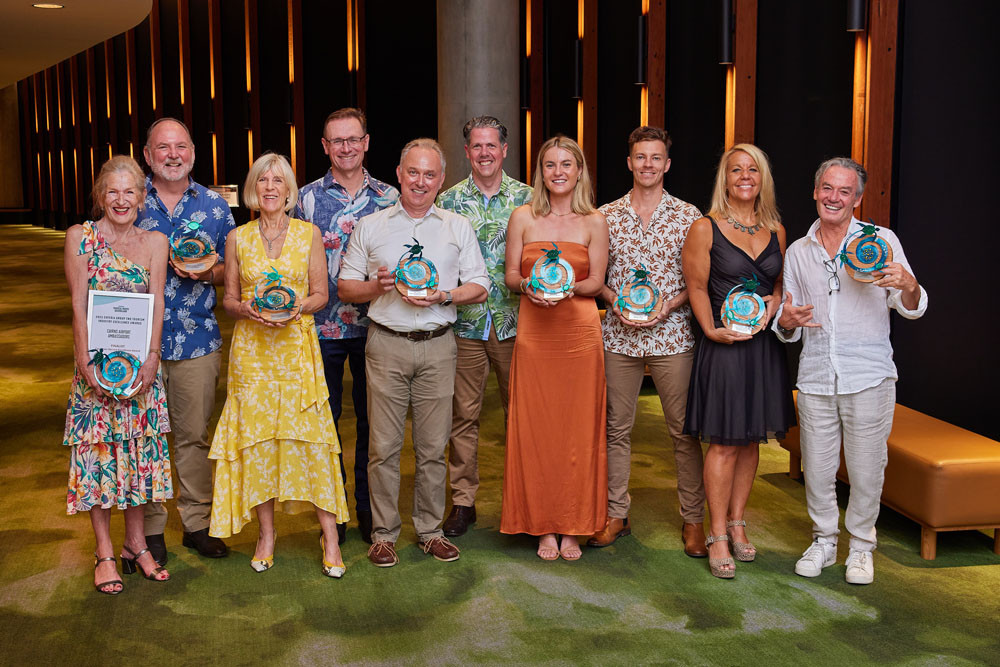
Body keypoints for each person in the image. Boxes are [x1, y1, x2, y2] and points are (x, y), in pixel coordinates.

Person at [338, 138, 489, 567]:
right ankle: (384, 534)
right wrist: (377, 286)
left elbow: (480, 285)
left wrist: (446, 295)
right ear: (399, 174)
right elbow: (347, 288)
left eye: (429, 174)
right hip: (386, 343)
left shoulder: (457, 226)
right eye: (413, 172)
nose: (420, 181)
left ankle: (430, 530)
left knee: (432, 447)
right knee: (383, 447)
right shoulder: (371, 225)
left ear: (441, 179)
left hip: (439, 346)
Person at [776, 157, 926, 585]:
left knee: (866, 469)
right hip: (816, 376)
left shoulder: (882, 241)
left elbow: (912, 307)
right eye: (827, 188)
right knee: (819, 470)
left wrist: (909, 284)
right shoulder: (799, 252)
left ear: (857, 198)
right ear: (815, 192)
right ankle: (824, 541)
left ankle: (861, 548)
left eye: (844, 191)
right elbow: (788, 320)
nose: (834, 197)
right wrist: (786, 324)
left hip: (869, 376)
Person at [207, 153, 349, 578]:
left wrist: (296, 308)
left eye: (279, 180)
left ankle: (330, 534)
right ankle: (266, 534)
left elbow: (322, 295)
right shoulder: (237, 238)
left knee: (313, 440)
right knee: (258, 442)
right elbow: (229, 300)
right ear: (254, 188)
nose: (270, 187)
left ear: (289, 190)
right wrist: (247, 308)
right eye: (263, 180)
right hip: (253, 354)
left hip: (295, 352)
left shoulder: (309, 234)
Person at [589, 126, 707, 557]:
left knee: (682, 431)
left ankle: (694, 520)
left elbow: (698, 281)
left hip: (672, 336)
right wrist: (612, 300)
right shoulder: (605, 215)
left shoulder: (689, 215)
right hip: (618, 336)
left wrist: (671, 305)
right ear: (629, 162)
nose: (648, 165)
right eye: (640, 157)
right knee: (615, 430)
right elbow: (597, 279)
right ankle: (616, 514)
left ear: (667, 164)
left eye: (656, 157)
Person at [681, 143, 795, 579]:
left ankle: (738, 520)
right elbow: (695, 287)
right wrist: (710, 330)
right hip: (724, 347)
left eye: (753, 170)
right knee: (725, 442)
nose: (745, 176)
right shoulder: (704, 228)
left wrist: (776, 302)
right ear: (724, 179)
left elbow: (780, 286)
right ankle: (717, 534)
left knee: (751, 442)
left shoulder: (777, 230)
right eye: (735, 170)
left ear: (762, 178)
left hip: (763, 349)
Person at [64, 155, 172, 593]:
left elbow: (158, 303)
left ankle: (136, 544)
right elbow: (77, 305)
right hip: (95, 370)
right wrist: (87, 366)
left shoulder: (155, 242)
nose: (121, 200)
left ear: (142, 198)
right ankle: (105, 552)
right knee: (99, 458)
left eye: (130, 192)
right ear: (99, 196)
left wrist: (151, 358)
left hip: (142, 371)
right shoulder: (79, 238)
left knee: (137, 455)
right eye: (113, 192)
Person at [500, 135, 610, 561]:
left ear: (579, 171)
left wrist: (567, 291)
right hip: (535, 331)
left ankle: (574, 524)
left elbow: (597, 283)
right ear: (540, 172)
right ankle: (543, 524)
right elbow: (511, 275)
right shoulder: (523, 216)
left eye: (567, 164)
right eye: (550, 165)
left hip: (579, 334)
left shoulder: (594, 221)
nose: (558, 171)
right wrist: (529, 285)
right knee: (536, 426)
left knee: (579, 430)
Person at [295, 108, 398, 544]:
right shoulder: (305, 199)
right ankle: (333, 515)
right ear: (325, 147)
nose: (346, 147)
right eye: (337, 141)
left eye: (353, 139)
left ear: (367, 141)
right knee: (327, 425)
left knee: (375, 427)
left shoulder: (391, 197)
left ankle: (370, 512)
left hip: (378, 327)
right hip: (323, 330)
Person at [137, 117, 235, 563]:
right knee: (146, 437)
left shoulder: (215, 207)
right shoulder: (130, 199)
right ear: (147, 154)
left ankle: (196, 523)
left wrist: (207, 273)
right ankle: (150, 530)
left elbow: (230, 272)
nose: (172, 155)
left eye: (180, 147)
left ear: (193, 153)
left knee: (194, 436)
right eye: (163, 148)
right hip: (137, 345)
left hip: (197, 341)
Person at [435, 116, 533, 537]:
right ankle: (463, 502)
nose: (485, 153)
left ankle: (525, 502)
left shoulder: (530, 199)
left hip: (520, 324)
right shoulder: (449, 202)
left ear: (505, 150)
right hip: (466, 325)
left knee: (523, 416)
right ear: (467, 151)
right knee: (463, 417)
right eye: (477, 146)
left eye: (492, 145)